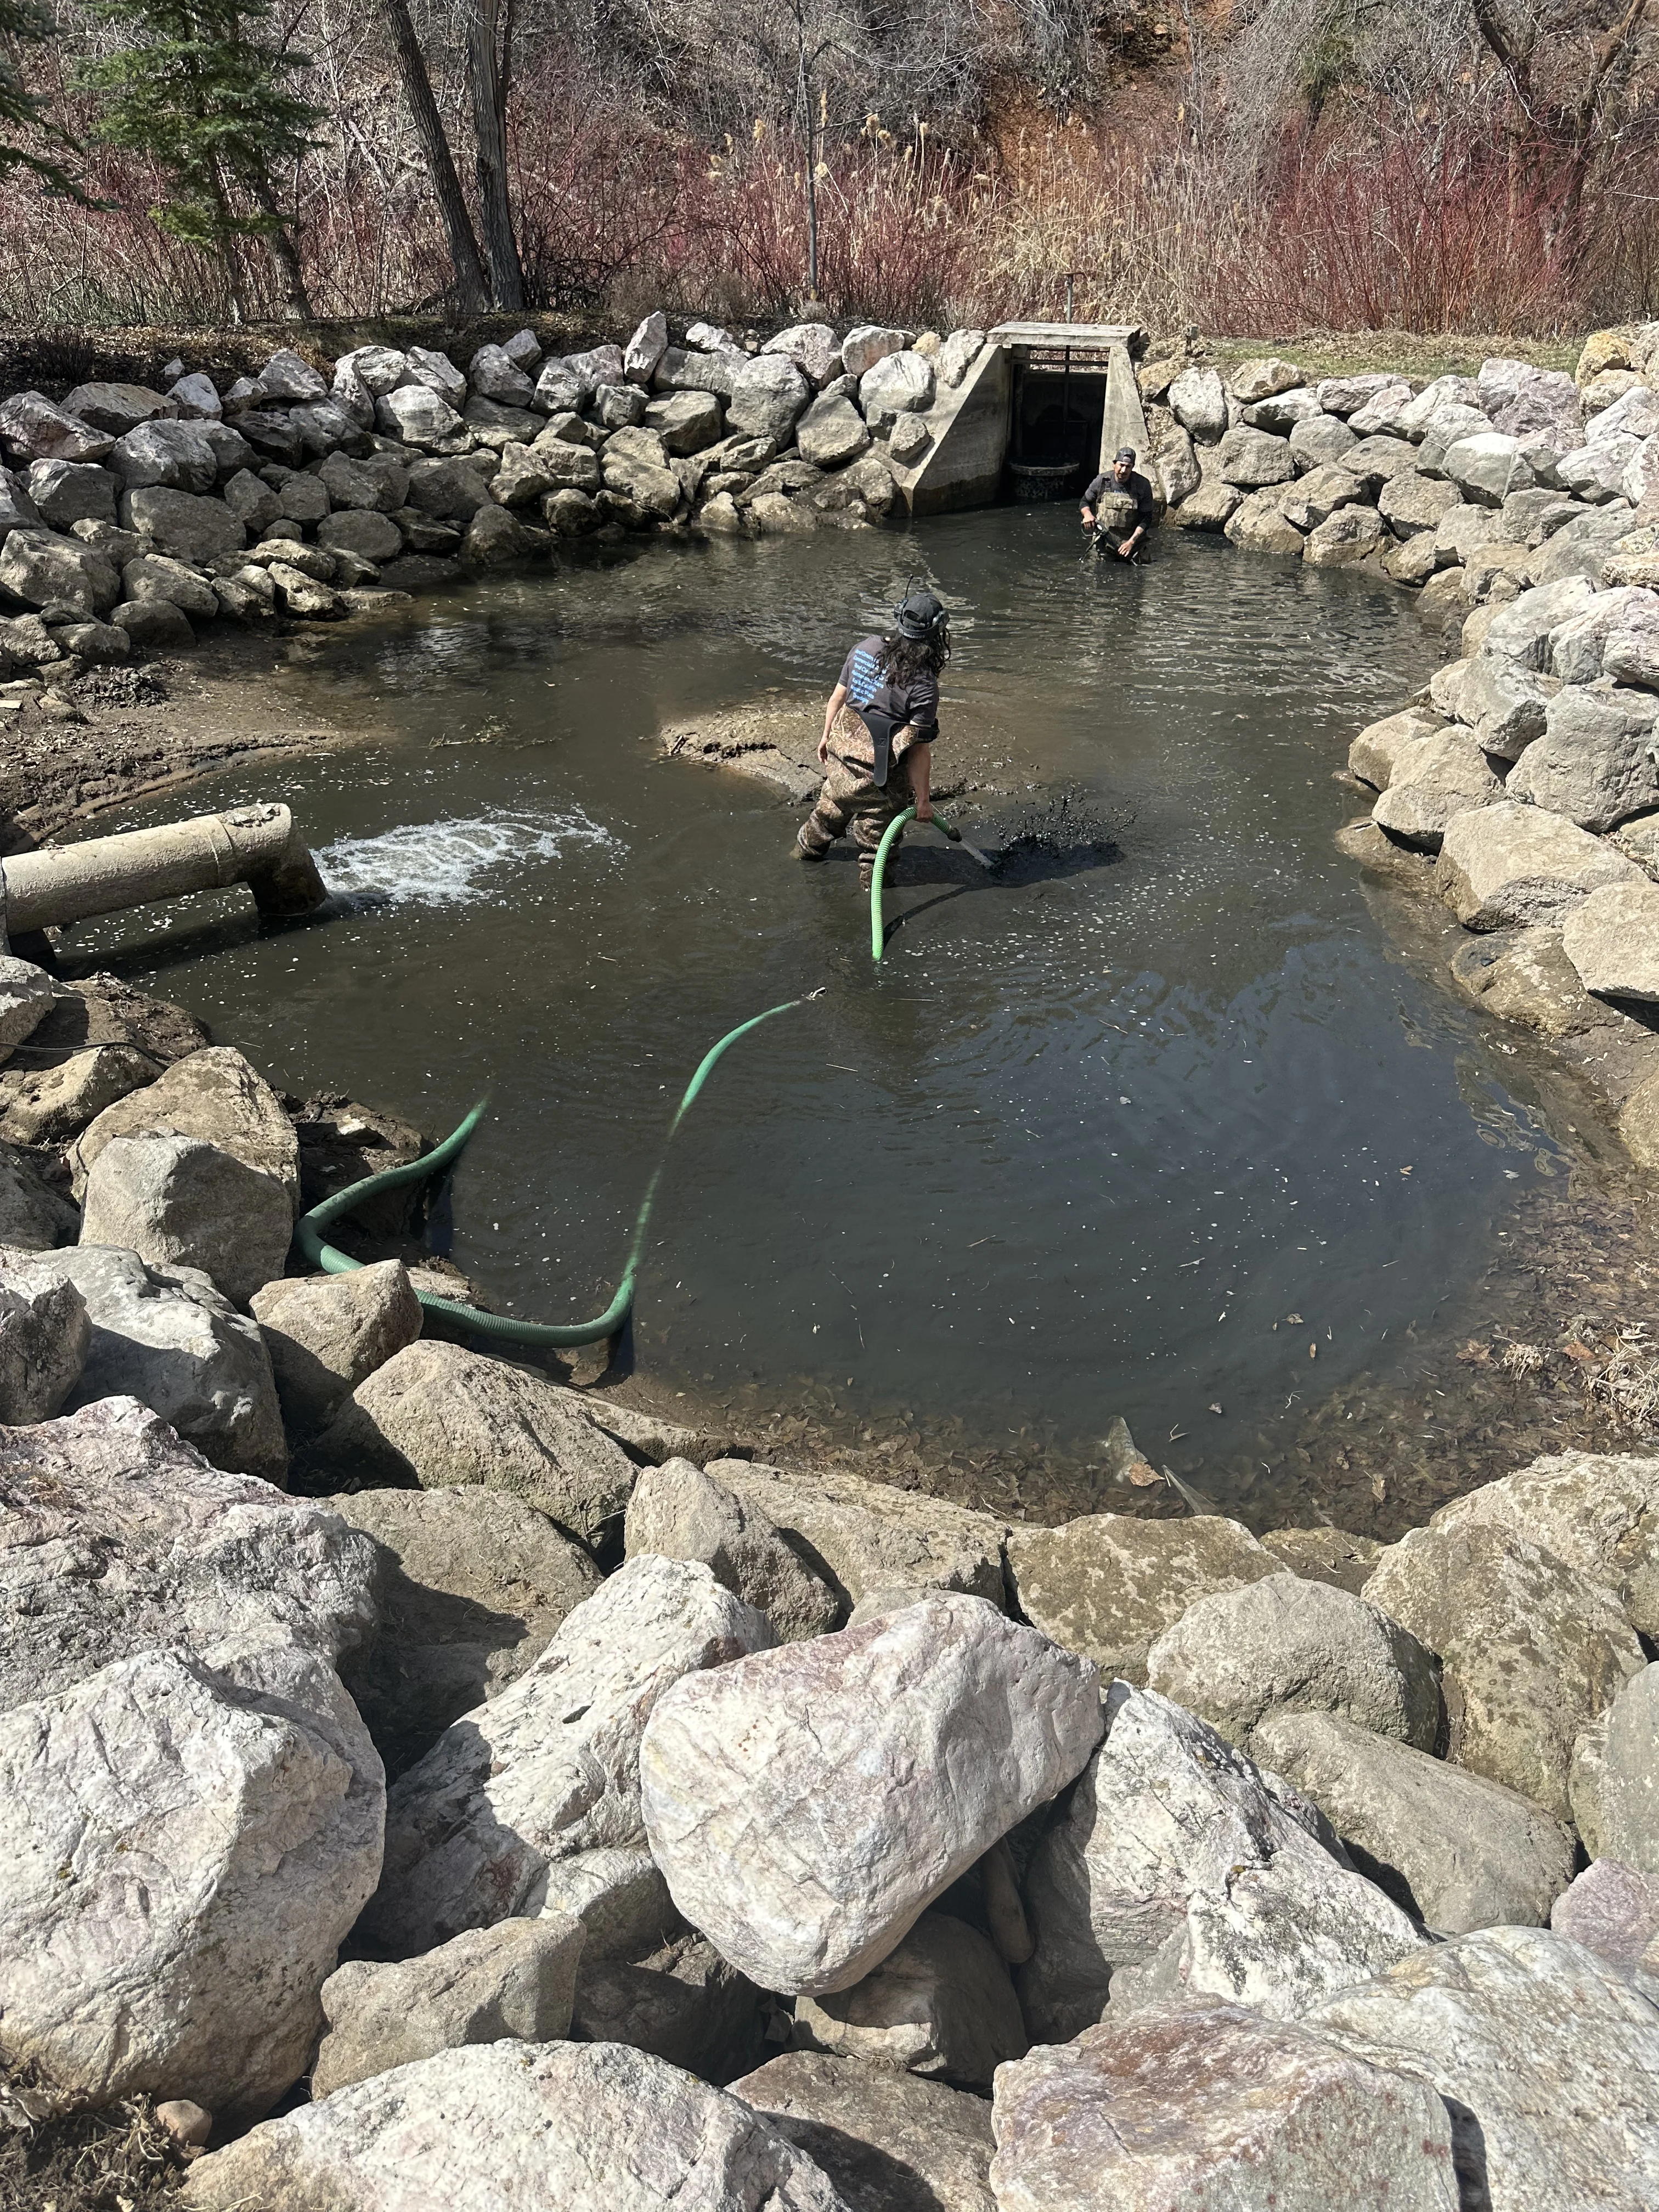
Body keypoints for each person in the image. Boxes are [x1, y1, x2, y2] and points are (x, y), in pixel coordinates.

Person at [794, 590, 949, 895]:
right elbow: (918, 750)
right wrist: (923, 802)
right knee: (878, 852)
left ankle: (800, 856)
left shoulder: (865, 648)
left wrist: (826, 737)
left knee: (826, 817)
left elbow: (838, 698)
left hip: (840, 765)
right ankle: (874, 895)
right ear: (936, 635)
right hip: (881, 782)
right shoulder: (923, 684)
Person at [1081, 445, 1155, 560]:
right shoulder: (1102, 481)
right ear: (1114, 464)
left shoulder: (1143, 485)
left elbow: (1147, 518)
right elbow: (1085, 502)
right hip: (1104, 543)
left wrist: (1131, 542)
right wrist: (1087, 514)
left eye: (1128, 467)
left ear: (1132, 468)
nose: (1124, 471)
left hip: (1132, 545)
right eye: (1121, 465)